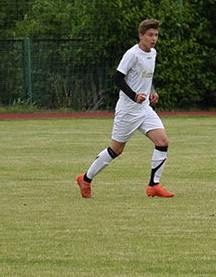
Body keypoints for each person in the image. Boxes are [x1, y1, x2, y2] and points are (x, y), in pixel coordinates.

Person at [75, 19, 174, 199]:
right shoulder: (132, 54)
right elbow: (118, 78)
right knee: (116, 149)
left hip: (144, 109)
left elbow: (147, 77)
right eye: (150, 35)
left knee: (162, 142)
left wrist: (152, 91)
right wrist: (134, 96)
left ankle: (154, 186)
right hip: (128, 110)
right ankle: (85, 179)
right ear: (141, 36)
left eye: (156, 35)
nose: (154, 39)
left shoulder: (153, 53)